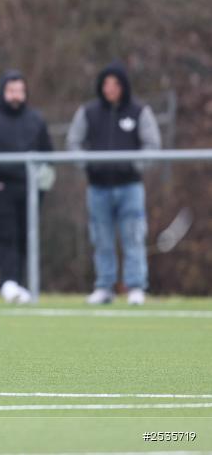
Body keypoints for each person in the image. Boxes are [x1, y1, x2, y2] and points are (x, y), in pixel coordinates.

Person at [66, 62, 161, 306]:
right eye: (106, 83)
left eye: (115, 84)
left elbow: (152, 146)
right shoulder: (88, 112)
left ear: (123, 86)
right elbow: (73, 143)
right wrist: (89, 165)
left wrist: (132, 166)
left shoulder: (139, 112)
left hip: (130, 187)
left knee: (133, 236)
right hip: (98, 188)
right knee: (101, 238)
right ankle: (104, 286)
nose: (110, 88)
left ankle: (136, 287)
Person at [0, 70, 53, 304]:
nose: (16, 96)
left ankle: (23, 283)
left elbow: (49, 155)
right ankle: (9, 282)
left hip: (30, 189)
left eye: (20, 91)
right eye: (11, 91)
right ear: (3, 91)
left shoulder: (36, 120)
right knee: (7, 236)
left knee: (28, 236)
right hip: (1, 189)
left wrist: (41, 187)